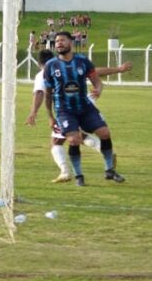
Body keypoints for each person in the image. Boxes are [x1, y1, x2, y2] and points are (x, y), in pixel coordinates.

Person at [26, 50, 131, 182]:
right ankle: (102, 150)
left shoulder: (44, 73)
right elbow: (96, 71)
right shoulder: (68, 64)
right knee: (78, 135)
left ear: (39, 64)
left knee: (57, 142)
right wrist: (118, 69)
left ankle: (65, 172)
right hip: (85, 102)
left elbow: (40, 93)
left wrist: (34, 112)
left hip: (66, 109)